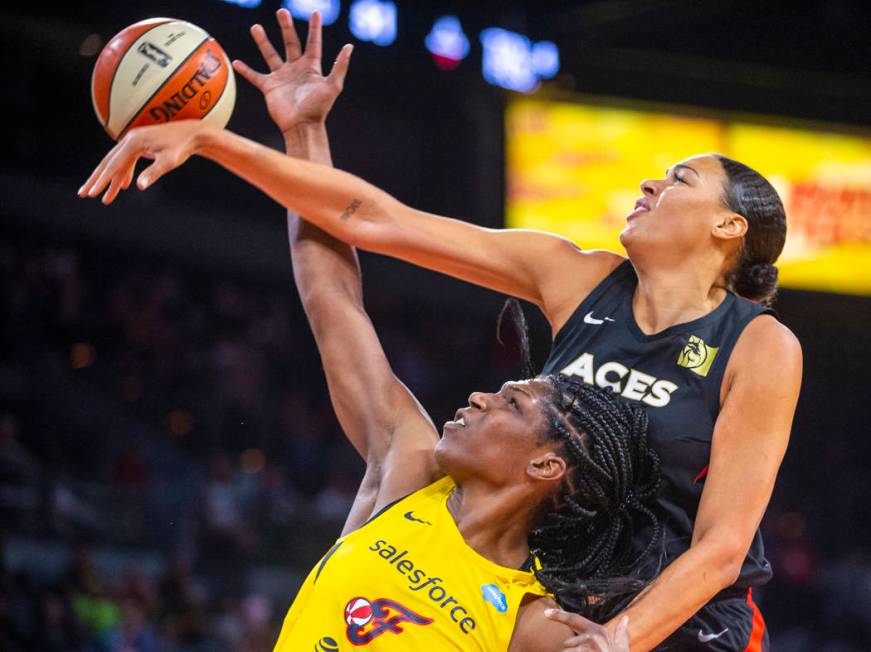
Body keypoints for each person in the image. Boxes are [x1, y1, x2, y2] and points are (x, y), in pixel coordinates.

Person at [79, 10, 802, 650]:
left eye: (676, 179)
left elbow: (722, 545)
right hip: (556, 582)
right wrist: (264, 134)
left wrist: (619, 639)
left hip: (676, 620)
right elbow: (368, 220)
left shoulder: (757, 342)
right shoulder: (573, 276)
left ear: (726, 227)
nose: (649, 184)